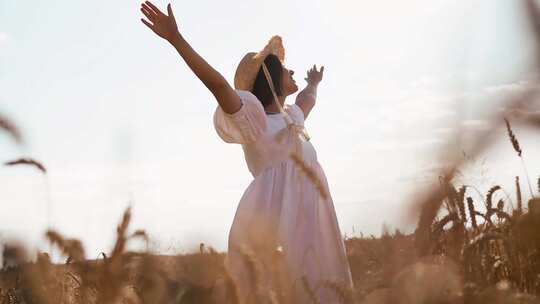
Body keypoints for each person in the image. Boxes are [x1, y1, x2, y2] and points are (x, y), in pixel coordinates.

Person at [140, 2, 353, 302]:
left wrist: (313, 84)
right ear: (269, 78)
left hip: (312, 221)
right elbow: (217, 85)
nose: (291, 69)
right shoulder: (253, 119)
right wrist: (177, 39)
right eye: (283, 67)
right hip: (273, 221)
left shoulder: (292, 118)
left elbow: (308, 99)